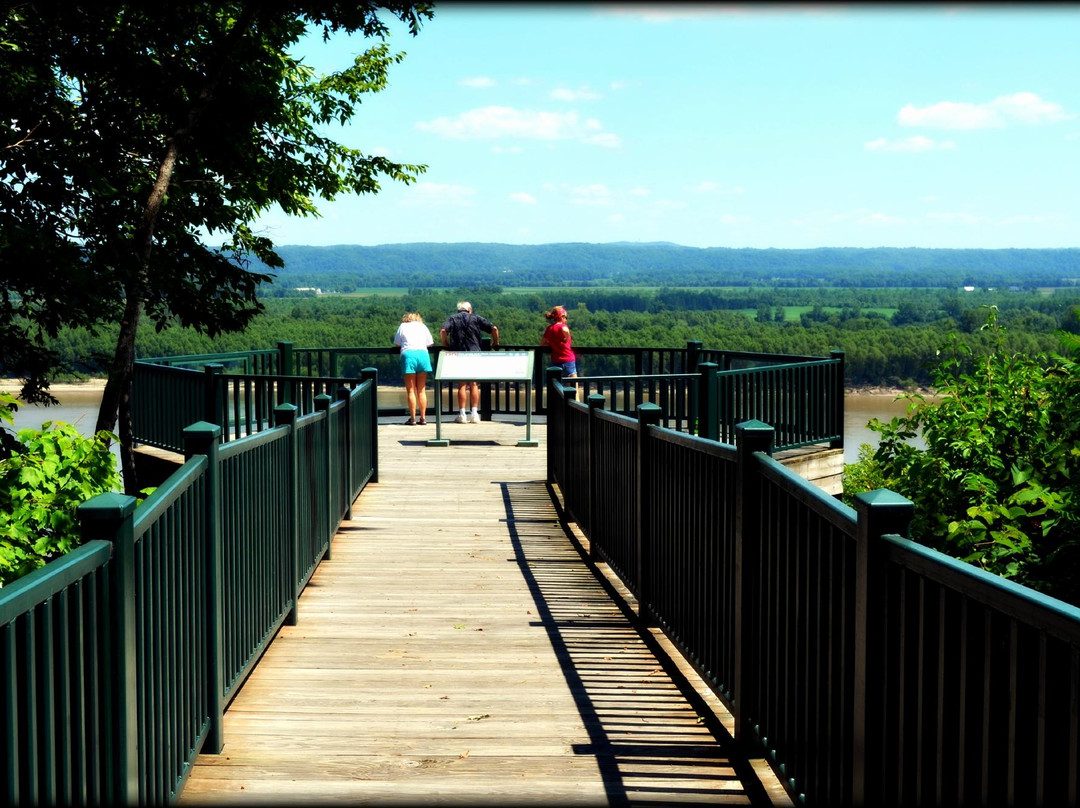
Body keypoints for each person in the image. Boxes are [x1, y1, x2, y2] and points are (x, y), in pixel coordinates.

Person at [440, 301, 499, 423]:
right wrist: (495, 342)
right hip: (475, 353)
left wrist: (445, 344)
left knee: (461, 384)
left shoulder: (452, 318)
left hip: (458, 354)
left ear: (458, 310)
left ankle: (462, 414)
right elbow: (494, 328)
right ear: (469, 309)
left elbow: (443, 331)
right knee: (474, 384)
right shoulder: (476, 318)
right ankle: (474, 413)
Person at [392, 312, 434, 425]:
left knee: (410, 390)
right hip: (423, 355)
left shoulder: (403, 326)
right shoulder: (423, 326)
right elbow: (430, 343)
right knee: (421, 390)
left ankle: (412, 418)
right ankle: (423, 418)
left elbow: (397, 343)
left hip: (408, 355)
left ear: (406, 319)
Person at [540, 305, 578, 379]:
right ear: (562, 317)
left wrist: (551, 343)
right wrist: (567, 337)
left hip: (555, 360)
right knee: (573, 384)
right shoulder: (562, 326)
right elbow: (565, 330)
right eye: (566, 317)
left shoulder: (549, 329)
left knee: (556, 384)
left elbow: (542, 343)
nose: (566, 320)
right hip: (568, 358)